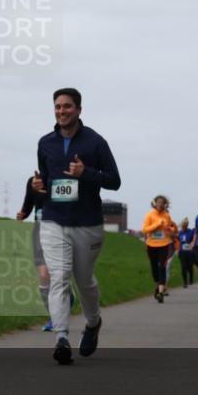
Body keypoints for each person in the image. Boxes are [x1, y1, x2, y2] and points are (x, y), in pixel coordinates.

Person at [32, 88, 120, 364]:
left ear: (79, 109)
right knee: (59, 277)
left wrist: (86, 174)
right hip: (54, 219)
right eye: (57, 107)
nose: (61, 111)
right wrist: (38, 187)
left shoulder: (96, 142)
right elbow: (45, 180)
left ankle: (93, 323)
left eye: (67, 107)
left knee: (84, 282)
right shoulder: (45, 143)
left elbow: (114, 181)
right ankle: (61, 337)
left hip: (87, 223)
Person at [18, 175, 75, 331]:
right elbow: (28, 203)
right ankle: (53, 317)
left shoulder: (63, 181)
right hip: (39, 232)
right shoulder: (33, 181)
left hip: (60, 231)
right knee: (43, 275)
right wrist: (22, 214)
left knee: (57, 274)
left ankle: (68, 293)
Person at [141, 195, 177, 303]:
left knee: (162, 266)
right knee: (154, 268)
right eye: (159, 202)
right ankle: (158, 286)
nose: (160, 204)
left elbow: (171, 230)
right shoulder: (149, 215)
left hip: (164, 244)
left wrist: (169, 228)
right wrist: (157, 224)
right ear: (155, 203)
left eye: (162, 202)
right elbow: (144, 230)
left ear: (165, 204)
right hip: (151, 245)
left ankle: (161, 292)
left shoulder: (167, 215)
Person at [177, 219, 196, 287]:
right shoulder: (180, 232)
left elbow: (194, 240)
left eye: (185, 226)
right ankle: (185, 283)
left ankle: (191, 279)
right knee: (183, 267)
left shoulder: (191, 232)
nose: (184, 227)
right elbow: (178, 241)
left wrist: (192, 243)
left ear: (187, 225)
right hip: (182, 252)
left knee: (189, 267)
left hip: (190, 252)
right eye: (183, 226)